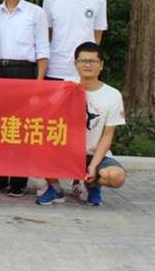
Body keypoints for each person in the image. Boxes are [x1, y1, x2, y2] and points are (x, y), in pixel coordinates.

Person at [41, 0, 107, 199]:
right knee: (55, 129)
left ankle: (80, 179)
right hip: (56, 70)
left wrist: (90, 68)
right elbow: (47, 34)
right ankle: (53, 182)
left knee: (82, 130)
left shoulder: (97, 0)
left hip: (84, 74)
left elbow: (97, 37)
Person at [36, 41, 126, 206]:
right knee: (36, 146)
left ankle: (92, 185)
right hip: (66, 152)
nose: (88, 65)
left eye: (93, 61)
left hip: (93, 154)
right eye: (83, 61)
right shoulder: (66, 88)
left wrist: (93, 165)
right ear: (76, 64)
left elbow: (108, 135)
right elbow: (48, 119)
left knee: (116, 177)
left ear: (101, 65)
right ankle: (55, 189)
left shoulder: (112, 95)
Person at [0, 0, 49, 197]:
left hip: (25, 73)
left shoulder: (36, 12)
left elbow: (42, 49)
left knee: (21, 129)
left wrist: (39, 83)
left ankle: (18, 181)